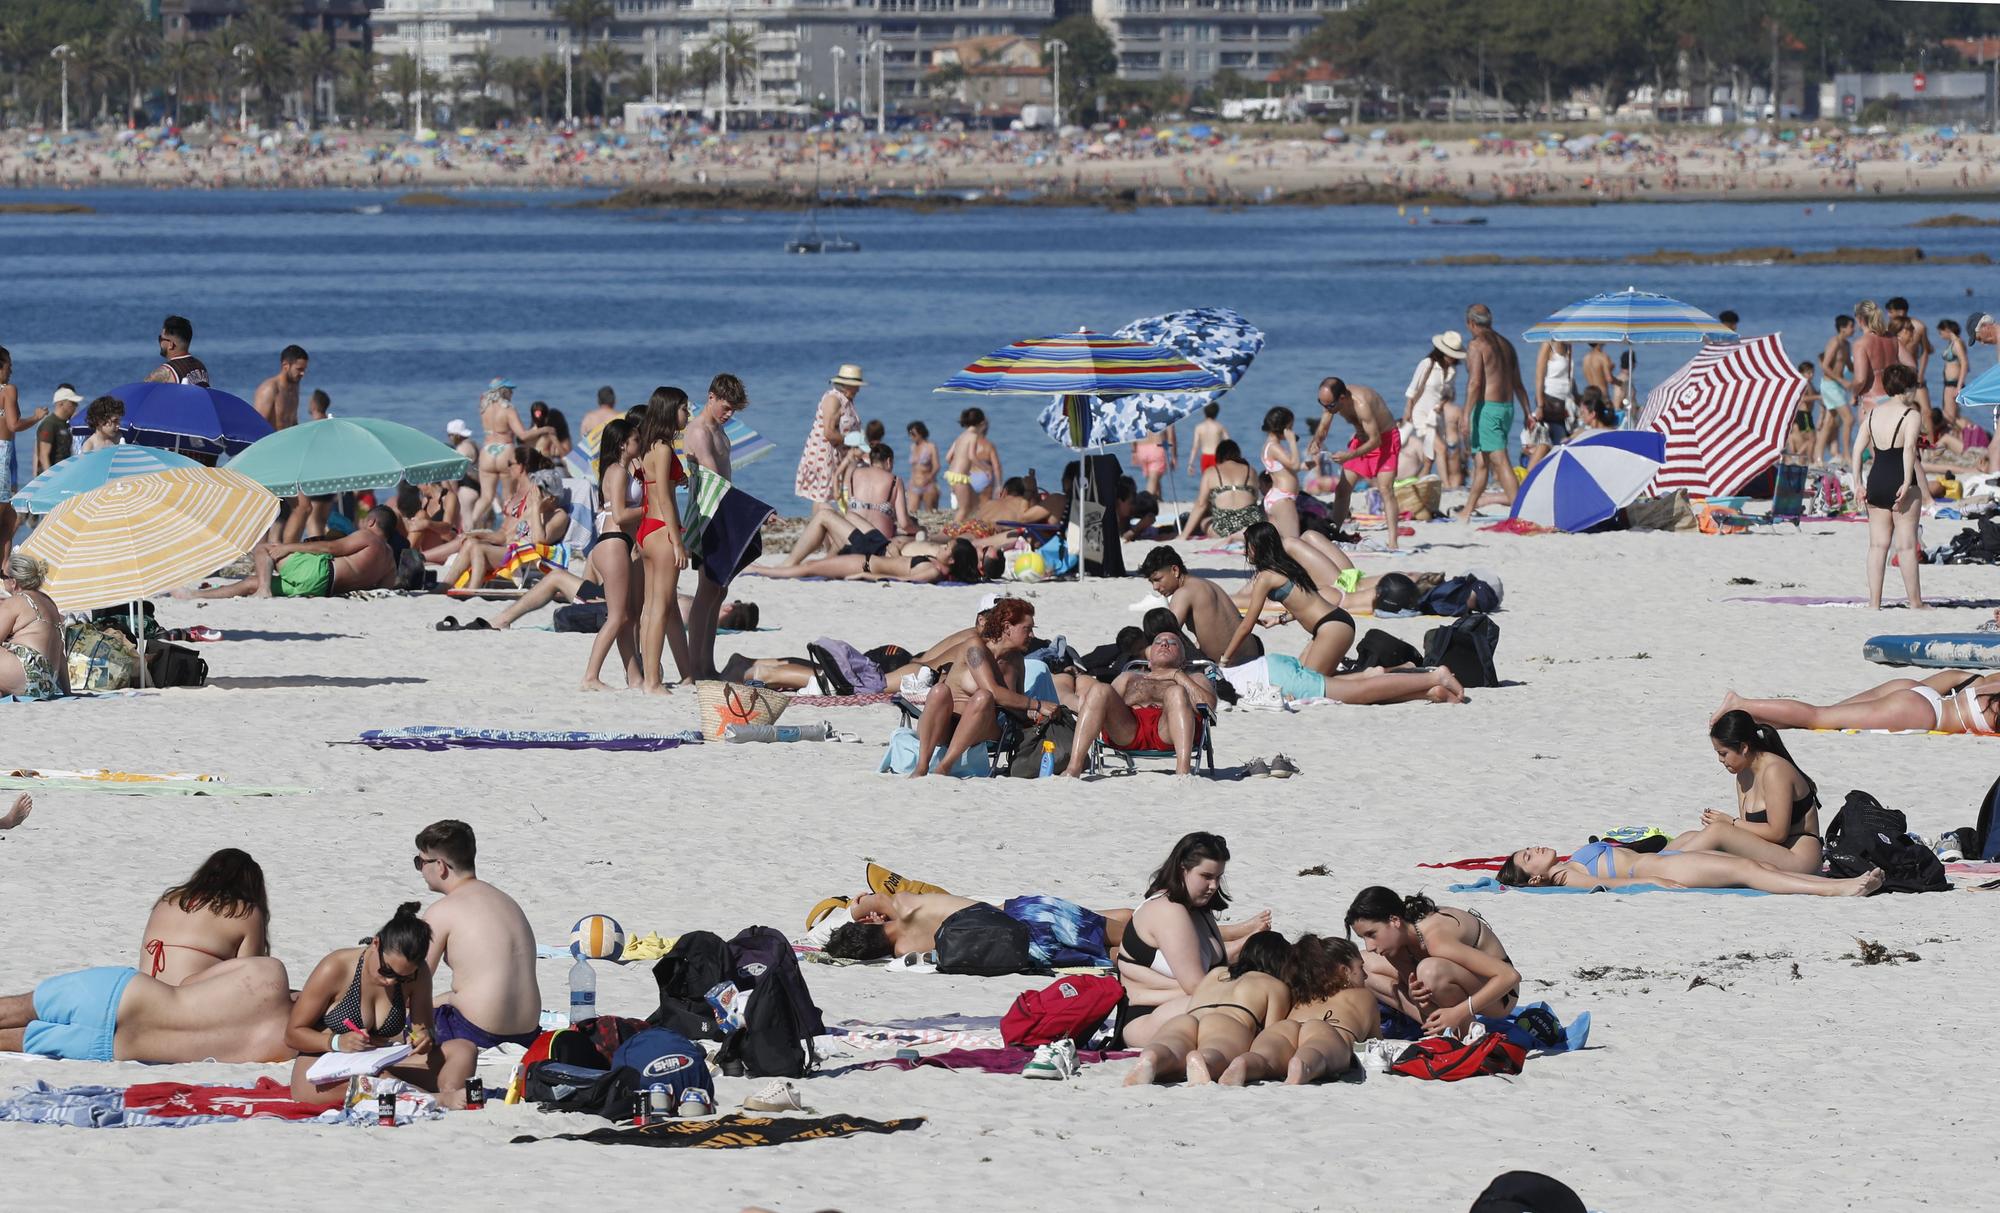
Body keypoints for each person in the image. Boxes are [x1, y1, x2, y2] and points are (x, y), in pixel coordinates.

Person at [407, 820, 540, 1109]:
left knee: (395, 1020)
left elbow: (413, 982)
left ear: (440, 865)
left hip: (478, 1030)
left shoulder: (443, 911)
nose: (420, 869)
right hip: (528, 1030)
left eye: (420, 862)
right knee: (443, 999)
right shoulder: (506, 902)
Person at [1118, 831, 1272, 1047]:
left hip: (1186, 1005)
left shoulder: (1200, 911)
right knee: (1243, 1004)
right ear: (1183, 869)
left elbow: (1207, 964)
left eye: (1218, 877)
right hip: (1146, 1018)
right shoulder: (1167, 911)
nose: (1214, 886)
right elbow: (1197, 986)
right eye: (1206, 877)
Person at [0, 957, 294, 1063]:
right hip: (111, 1047)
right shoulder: (285, 1049)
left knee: (16, 1009)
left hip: (122, 993)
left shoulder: (269, 972)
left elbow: (189, 982)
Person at [286, 903, 437, 1105]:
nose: (391, 981)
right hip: (325, 1063)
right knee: (377, 1079)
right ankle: (431, 1098)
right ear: (376, 944)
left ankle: (405, 1091)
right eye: (387, 971)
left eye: (402, 978)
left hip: (378, 1061)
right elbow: (292, 1034)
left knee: (462, 1052)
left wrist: (424, 1038)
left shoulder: (418, 975)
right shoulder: (336, 967)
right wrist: (337, 1041)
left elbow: (423, 1030)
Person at [1122, 930, 1293, 1086]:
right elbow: (1270, 1035)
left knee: (1171, 1047)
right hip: (1228, 1022)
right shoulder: (1274, 985)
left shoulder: (1216, 973)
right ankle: (1203, 1059)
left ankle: (1153, 1057)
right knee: (1216, 1052)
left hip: (1187, 1019)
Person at [1663, 710, 1822, 874]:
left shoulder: (1775, 771)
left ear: (1744, 747)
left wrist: (1730, 822)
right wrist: (1729, 825)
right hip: (1772, 851)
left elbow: (1777, 833)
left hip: (1799, 858)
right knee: (1690, 836)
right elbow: (1749, 831)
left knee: (1718, 831)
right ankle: (1649, 862)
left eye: (1723, 753)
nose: (1720, 760)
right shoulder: (1743, 774)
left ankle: (1659, 867)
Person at [1345, 887, 1519, 1036]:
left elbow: (1509, 976)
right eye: (1363, 937)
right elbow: (1422, 996)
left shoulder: (1437, 940)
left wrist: (1459, 1013)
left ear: (1395, 921)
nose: (1369, 945)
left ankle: (1467, 1032)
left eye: (1372, 934)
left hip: (1500, 995)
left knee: (1430, 971)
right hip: (1459, 982)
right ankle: (1444, 1029)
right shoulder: (1395, 945)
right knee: (1361, 964)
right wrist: (1415, 995)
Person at [908, 597, 1051, 778]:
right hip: (944, 724)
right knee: (940, 691)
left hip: (982, 727)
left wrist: (1033, 714)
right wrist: (1037, 704)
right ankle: (921, 766)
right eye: (1027, 629)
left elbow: (1016, 704)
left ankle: (945, 766)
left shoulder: (1016, 661)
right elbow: (993, 691)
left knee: (983, 698)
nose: (1032, 636)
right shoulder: (975, 647)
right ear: (1007, 628)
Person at [1218, 934, 1380, 1086]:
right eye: (1361, 967)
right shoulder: (1364, 996)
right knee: (1317, 1053)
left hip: (1286, 1027)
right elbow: (1376, 1041)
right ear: (1345, 971)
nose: (1365, 975)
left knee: (1265, 1058)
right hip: (1327, 1028)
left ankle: (1246, 1063)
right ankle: (1302, 1065)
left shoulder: (1303, 993)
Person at [1062, 628, 1218, 777]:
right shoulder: (1129, 678)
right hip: (1129, 732)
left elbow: (1209, 707)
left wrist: (1178, 676)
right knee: (1100, 689)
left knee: (1176, 692)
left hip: (1170, 732)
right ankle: (1074, 767)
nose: (1164, 644)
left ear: (1183, 661)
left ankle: (1183, 770)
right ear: (1149, 661)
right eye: (1158, 642)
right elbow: (1101, 702)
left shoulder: (1195, 679)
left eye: (1172, 643)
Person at [681, 373, 751, 681]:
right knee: (706, 590)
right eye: (726, 406)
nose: (729, 413)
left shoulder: (721, 432)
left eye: (734, 408)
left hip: (723, 511)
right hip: (707, 514)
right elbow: (714, 478)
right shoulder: (698, 432)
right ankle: (696, 666)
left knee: (719, 591)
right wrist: (753, 510)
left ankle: (706, 663)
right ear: (711, 397)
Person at [1217, 522, 1355, 675]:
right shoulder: (1287, 565)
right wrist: (1280, 619)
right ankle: (1367, 673)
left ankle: (1372, 675)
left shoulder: (1266, 577)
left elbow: (1246, 626)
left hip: (1331, 627)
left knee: (1309, 685)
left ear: (1255, 547)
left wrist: (1224, 660)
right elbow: (1306, 603)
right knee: (1298, 677)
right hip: (1332, 623)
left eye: (1247, 546)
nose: (1244, 552)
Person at [1497, 843, 1883, 896]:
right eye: (1529, 857)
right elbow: (1602, 884)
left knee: (1757, 865)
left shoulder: (1566, 862)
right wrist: (1652, 880)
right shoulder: (1567, 876)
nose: (1534, 849)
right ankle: (1837, 890)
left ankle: (1840, 883)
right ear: (1536, 879)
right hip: (1666, 868)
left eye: (1528, 848)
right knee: (1749, 871)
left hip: (1668, 859)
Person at [190, 504, 400, 599]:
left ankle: (264, 590)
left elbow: (331, 548)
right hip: (322, 589)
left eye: (365, 520)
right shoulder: (390, 561)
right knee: (250, 583)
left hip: (320, 572)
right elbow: (383, 589)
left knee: (264, 548)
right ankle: (197, 595)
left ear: (372, 521)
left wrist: (288, 547)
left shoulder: (368, 536)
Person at [1717, 669, 2000, 736]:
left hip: (1918, 691)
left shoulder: (1993, 682)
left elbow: (1961, 677)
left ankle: (1754, 717)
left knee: (1824, 717)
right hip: (1923, 712)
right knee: (1817, 717)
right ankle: (1741, 703)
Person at [1852, 363, 1926, 610]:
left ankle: (1874, 603)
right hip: (1898, 478)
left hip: (1876, 480)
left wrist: (1857, 483)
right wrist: (1906, 482)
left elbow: (1856, 450)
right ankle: (1915, 603)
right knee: (1905, 546)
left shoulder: (1872, 413)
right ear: (1907, 388)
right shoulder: (1911, 414)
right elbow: (1909, 449)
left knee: (1877, 545)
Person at [141, 849, 270, 984]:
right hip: (191, 998)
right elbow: (250, 978)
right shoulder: (245, 913)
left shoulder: (167, 901)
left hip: (145, 995)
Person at [633, 397, 691, 695]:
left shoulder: (648, 446)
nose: (688, 413)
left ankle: (647, 677)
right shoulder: (665, 448)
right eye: (684, 408)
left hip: (647, 529)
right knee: (660, 608)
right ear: (670, 411)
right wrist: (678, 541)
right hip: (662, 530)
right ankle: (653, 681)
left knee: (650, 608)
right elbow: (666, 500)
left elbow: (655, 488)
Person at [1457, 303, 1532, 522]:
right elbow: (1518, 383)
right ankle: (1467, 510)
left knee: (1499, 460)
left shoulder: (1476, 345)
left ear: (1471, 323)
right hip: (1507, 408)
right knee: (1481, 462)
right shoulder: (1507, 344)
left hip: (1487, 409)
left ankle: (1520, 514)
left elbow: (1475, 383)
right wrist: (1527, 412)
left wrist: (1465, 414)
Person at [1311, 379, 1401, 550]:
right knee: (1342, 489)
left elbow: (1376, 440)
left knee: (1386, 490)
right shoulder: (1333, 402)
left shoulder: (1362, 405)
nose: (1326, 408)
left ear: (1342, 398)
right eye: (1322, 403)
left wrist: (1349, 455)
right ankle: (1333, 533)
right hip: (1361, 441)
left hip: (1385, 441)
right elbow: (1323, 427)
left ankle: (1393, 541)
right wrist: (1316, 441)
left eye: (1329, 405)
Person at [1140, 546, 1258, 663]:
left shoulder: (1183, 593)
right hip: (1254, 657)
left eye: (1158, 579)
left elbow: (1164, 637)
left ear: (1175, 571)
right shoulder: (1205, 584)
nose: (1155, 587)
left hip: (1229, 668)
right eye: (1151, 582)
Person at [468, 378, 549, 532]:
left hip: (487, 451)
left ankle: (470, 528)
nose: (512, 393)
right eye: (510, 390)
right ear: (504, 391)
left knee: (485, 497)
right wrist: (545, 430)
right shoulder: (508, 409)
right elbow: (523, 435)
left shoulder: (484, 408)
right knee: (509, 496)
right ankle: (508, 529)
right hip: (505, 451)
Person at [748, 537, 990, 585]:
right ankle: (760, 568)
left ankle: (760, 570)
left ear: (953, 560)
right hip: (865, 560)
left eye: (947, 548)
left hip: (863, 565)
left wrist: (865, 575)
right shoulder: (933, 564)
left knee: (808, 568)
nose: (942, 547)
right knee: (809, 567)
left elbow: (899, 579)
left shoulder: (931, 572)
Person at [0, 553, 67, 700]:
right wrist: (68, 691)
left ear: (13, 581)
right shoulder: (49, 602)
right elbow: (61, 651)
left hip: (27, 673)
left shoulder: (16, 602)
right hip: (48, 682)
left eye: (3, 575)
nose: (1, 579)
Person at [797, 364, 863, 510]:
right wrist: (852, 441)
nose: (858, 389)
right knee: (823, 498)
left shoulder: (847, 400)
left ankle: (823, 528)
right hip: (824, 453)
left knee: (835, 495)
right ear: (846, 385)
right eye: (856, 386)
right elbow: (828, 432)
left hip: (840, 454)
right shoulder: (833, 399)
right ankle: (818, 528)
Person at [1401, 332, 1464, 486]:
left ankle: (1419, 485)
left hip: (1436, 415)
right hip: (1420, 412)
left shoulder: (1452, 371)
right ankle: (1447, 486)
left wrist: (1442, 404)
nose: (1452, 357)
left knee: (1430, 457)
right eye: (1450, 354)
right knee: (1441, 448)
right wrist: (1408, 411)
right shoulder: (1427, 364)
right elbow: (1413, 389)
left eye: (1454, 355)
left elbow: (1449, 394)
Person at [1177, 439, 1262, 540]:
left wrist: (1184, 535)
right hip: (1251, 527)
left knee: (1204, 521)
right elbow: (1255, 498)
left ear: (1218, 455)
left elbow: (1201, 504)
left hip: (1224, 529)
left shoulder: (1211, 472)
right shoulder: (1251, 470)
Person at [0, 348, 46, 505]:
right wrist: (36, 417)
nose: (11, 371)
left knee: (9, 516)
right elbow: (13, 425)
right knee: (7, 514)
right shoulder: (8, 390)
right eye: (9, 366)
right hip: (2, 453)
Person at [1812, 314, 1857, 467]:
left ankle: (1817, 457)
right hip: (1830, 385)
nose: (1854, 329)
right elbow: (1824, 366)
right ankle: (1846, 455)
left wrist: (1862, 377)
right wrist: (1841, 380)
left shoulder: (1847, 344)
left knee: (1830, 421)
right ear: (1842, 328)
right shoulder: (1834, 343)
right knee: (1849, 419)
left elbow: (1850, 367)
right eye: (1851, 326)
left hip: (1838, 386)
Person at [943, 408, 1002, 522]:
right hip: (960, 477)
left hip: (953, 475)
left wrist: (960, 465)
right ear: (981, 423)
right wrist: (986, 469)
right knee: (964, 509)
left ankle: (974, 525)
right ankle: (950, 533)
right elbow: (972, 456)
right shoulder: (973, 436)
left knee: (976, 504)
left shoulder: (961, 436)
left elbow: (948, 457)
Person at [1257, 407, 1305, 538]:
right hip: (1283, 499)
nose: (1291, 431)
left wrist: (1304, 466)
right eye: (1290, 427)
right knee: (1293, 540)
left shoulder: (1270, 445)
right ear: (1283, 427)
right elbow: (1294, 464)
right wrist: (1292, 442)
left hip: (1277, 496)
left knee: (1278, 541)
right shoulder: (1274, 446)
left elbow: (1286, 467)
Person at [1850, 300, 1902, 420]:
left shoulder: (1861, 344)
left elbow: (1860, 379)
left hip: (1872, 400)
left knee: (1868, 438)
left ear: (1859, 319)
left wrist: (1853, 395)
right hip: (1893, 398)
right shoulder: (1892, 338)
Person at [1527, 339, 1574, 467]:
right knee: (1548, 444)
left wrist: (1576, 397)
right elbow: (1539, 376)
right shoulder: (1548, 345)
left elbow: (1569, 377)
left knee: (1559, 444)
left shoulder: (1568, 345)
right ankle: (1530, 475)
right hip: (1549, 400)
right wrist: (1540, 405)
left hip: (1563, 402)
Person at [1887, 297, 1932, 408]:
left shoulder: (1919, 327)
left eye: (1891, 312)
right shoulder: (1888, 328)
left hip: (1913, 373)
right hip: (1895, 375)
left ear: (1901, 311)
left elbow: (1925, 351)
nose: (1888, 315)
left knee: (1926, 411)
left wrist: (1920, 375)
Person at [251, 345, 308, 431]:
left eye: (304, 369)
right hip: (271, 442)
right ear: (285, 365)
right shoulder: (269, 389)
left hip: (288, 441)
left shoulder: (294, 387)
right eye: (299, 369)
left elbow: (293, 422)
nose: (303, 373)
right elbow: (257, 426)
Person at [145, 314, 208, 386]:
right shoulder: (201, 367)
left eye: (161, 338)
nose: (159, 342)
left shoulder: (166, 372)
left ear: (171, 344)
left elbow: (142, 391)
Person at [34, 385, 81, 476]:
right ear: (61, 404)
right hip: (51, 478)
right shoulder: (49, 424)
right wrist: (51, 479)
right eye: (72, 403)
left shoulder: (64, 424)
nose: (76, 406)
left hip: (63, 474)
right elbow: (44, 456)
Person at [1937, 318, 1969, 423]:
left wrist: (1959, 386)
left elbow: (1964, 363)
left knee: (1949, 417)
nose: (1940, 336)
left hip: (1954, 384)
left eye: (1941, 332)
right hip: (1949, 384)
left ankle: (1971, 429)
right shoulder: (1952, 343)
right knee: (1952, 415)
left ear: (1947, 330)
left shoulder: (1957, 343)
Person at [1131, 424, 1175, 498]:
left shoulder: (1141, 413)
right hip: (1156, 448)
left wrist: (1134, 451)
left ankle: (1158, 499)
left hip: (1141, 447)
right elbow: (1171, 437)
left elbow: (1132, 432)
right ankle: (1146, 501)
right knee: (1153, 479)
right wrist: (1174, 455)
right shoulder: (1166, 414)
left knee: (1153, 478)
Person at [1186, 402, 1229, 476]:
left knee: (1206, 481)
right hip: (1217, 457)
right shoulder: (1219, 427)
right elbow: (1229, 443)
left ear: (1204, 412)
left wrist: (1190, 464)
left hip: (1205, 457)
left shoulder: (1199, 427)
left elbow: (1195, 447)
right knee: (1217, 482)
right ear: (1217, 413)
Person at [907, 420, 941, 511]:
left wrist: (929, 478)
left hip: (928, 484)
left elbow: (937, 466)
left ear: (921, 433)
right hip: (914, 485)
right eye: (910, 434)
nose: (911, 437)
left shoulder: (931, 446)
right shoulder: (913, 447)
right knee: (911, 512)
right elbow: (914, 468)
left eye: (913, 434)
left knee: (929, 512)